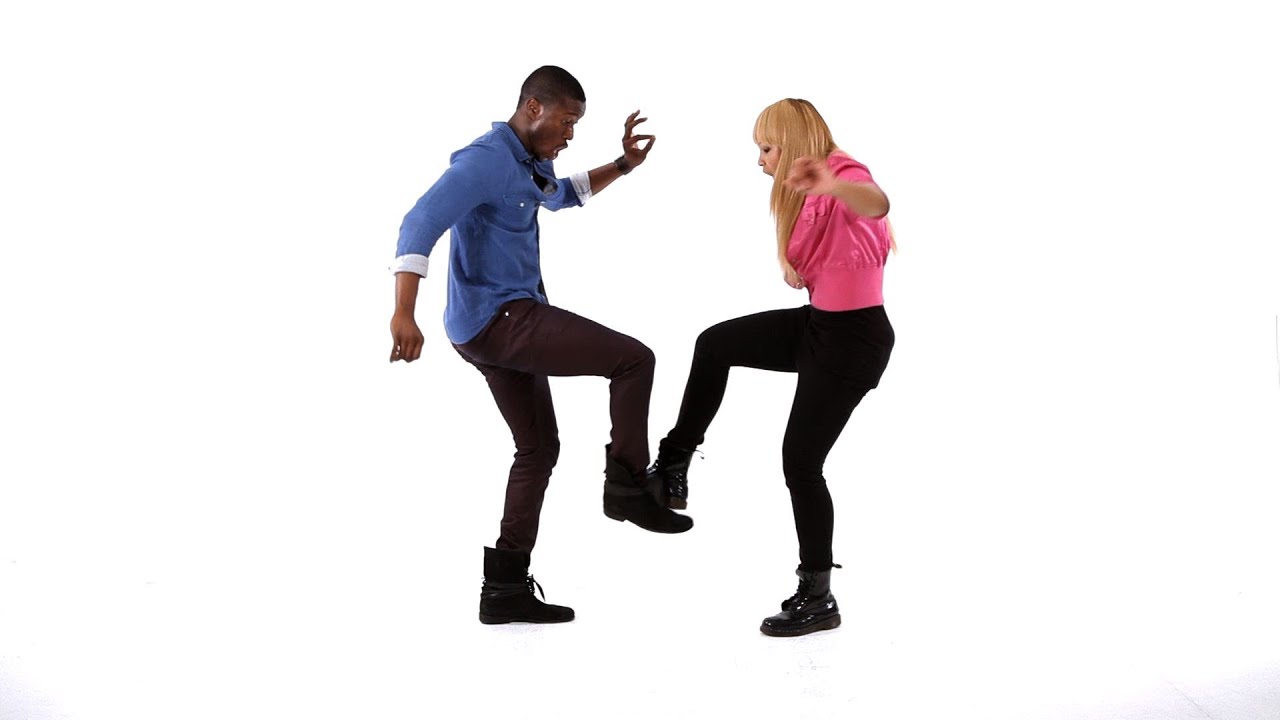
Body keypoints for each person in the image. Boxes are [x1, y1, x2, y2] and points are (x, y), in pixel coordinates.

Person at [388, 66, 693, 626]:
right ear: (533, 107)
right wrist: (404, 311)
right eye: (566, 122)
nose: (570, 135)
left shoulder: (528, 160)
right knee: (633, 360)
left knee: (537, 450)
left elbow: (559, 196)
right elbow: (418, 223)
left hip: (483, 329)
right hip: (501, 319)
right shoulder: (484, 161)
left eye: (576, 125)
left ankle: (503, 589)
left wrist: (624, 164)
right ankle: (628, 487)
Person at [646, 98, 895, 637]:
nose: (760, 160)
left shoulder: (843, 174)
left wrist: (832, 184)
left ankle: (818, 596)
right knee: (715, 344)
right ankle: (671, 467)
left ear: (793, 145)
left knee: (800, 463)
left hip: (853, 342)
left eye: (766, 148)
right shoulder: (804, 194)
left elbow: (876, 204)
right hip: (818, 327)